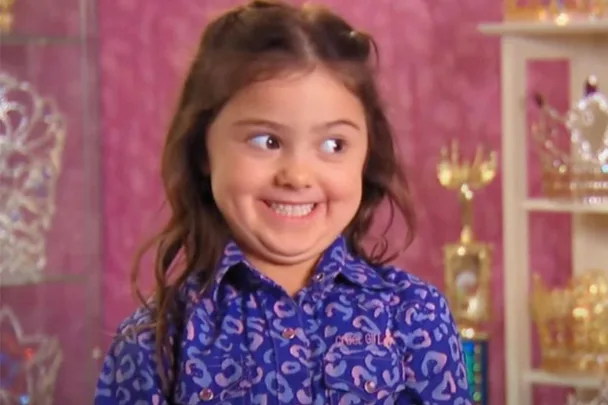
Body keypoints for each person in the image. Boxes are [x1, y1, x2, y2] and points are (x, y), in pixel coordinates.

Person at [94, 1, 472, 404]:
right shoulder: (155, 343)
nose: (297, 175)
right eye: (266, 141)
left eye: (333, 144)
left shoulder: (415, 316)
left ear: (367, 154)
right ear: (204, 148)